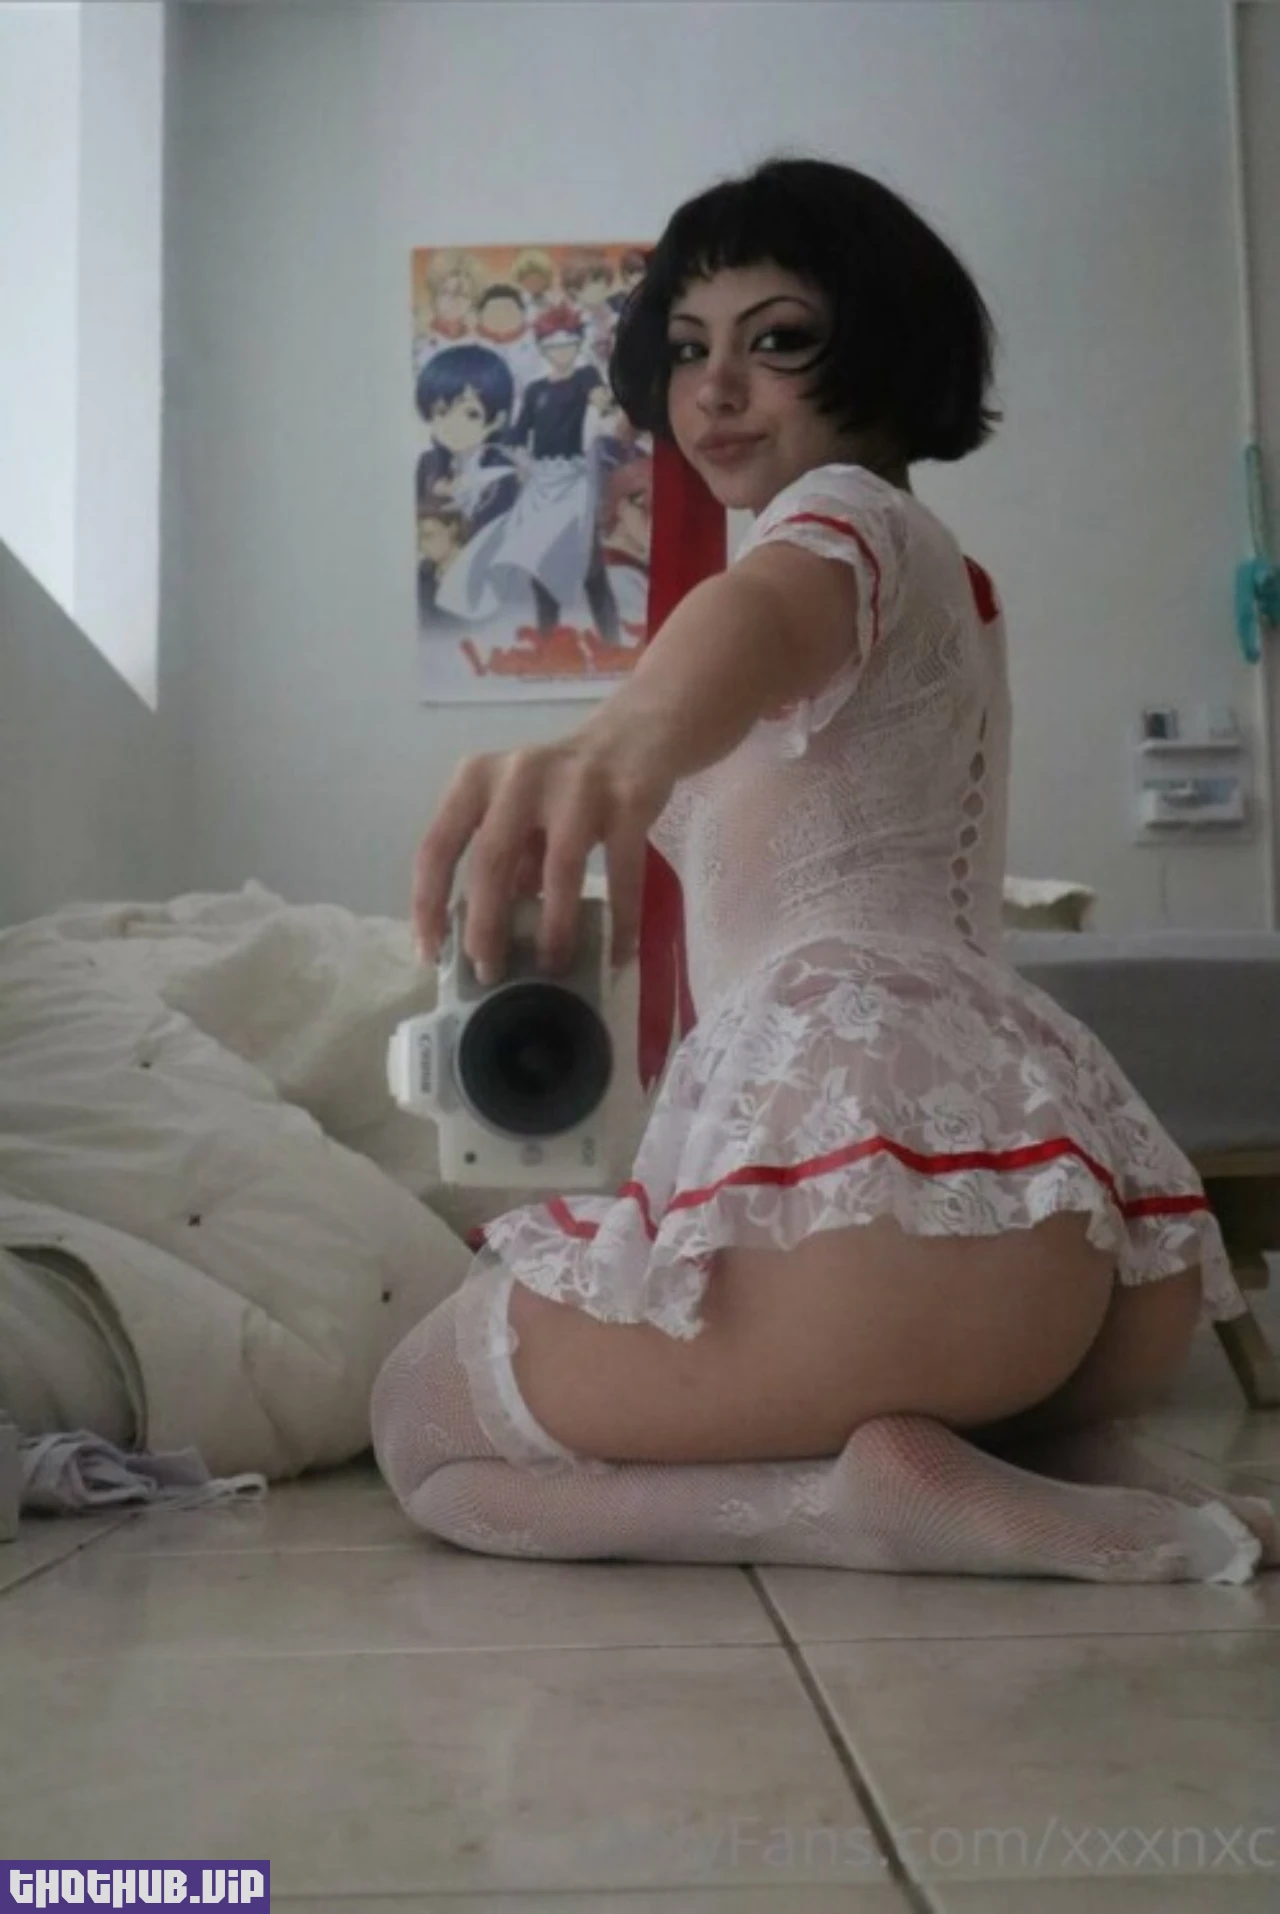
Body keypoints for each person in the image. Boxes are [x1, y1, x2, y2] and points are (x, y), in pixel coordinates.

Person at [372, 157, 1276, 1583]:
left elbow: (762, 613)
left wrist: (620, 741)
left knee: (421, 1424)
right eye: (687, 350)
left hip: (886, 1227)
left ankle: (846, 1508)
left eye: (777, 339)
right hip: (1070, 1246)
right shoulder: (945, 581)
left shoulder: (842, 521)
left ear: (885, 348)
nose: (716, 389)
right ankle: (1058, 1465)